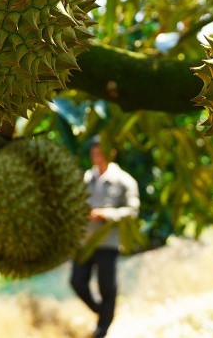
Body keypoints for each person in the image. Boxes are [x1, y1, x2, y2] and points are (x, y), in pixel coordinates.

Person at [70, 135, 140, 338]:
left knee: (106, 287)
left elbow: (132, 211)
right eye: (93, 152)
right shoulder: (85, 179)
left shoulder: (125, 181)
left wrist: (106, 214)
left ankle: (102, 330)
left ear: (112, 153)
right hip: (85, 241)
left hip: (109, 242)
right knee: (77, 281)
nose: (96, 155)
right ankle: (102, 312)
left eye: (100, 152)